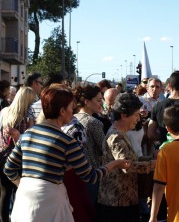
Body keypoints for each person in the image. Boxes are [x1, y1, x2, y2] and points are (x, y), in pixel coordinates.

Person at [3, 86, 131, 222]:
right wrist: (116, 163)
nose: (73, 111)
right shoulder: (66, 141)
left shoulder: (28, 134)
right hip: (51, 204)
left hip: (24, 201)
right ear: (62, 111)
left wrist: (25, 186)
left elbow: (9, 169)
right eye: (71, 107)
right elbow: (91, 176)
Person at [97, 93, 155, 222]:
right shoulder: (116, 137)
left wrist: (149, 160)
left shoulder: (121, 134)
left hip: (123, 201)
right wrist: (155, 164)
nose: (138, 119)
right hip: (117, 204)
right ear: (123, 115)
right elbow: (128, 166)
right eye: (135, 115)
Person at [0, 86, 36, 222]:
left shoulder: (4, 112)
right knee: (20, 193)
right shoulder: (26, 118)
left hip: (3, 157)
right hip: (20, 159)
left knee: (5, 193)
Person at [73, 85, 106, 206]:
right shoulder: (94, 122)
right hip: (91, 173)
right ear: (86, 102)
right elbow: (105, 148)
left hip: (73, 172)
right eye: (98, 100)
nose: (101, 103)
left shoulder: (71, 119)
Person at [148, 71, 179, 152]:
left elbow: (150, 134)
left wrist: (164, 137)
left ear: (169, 86)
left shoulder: (158, 106)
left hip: (165, 150)